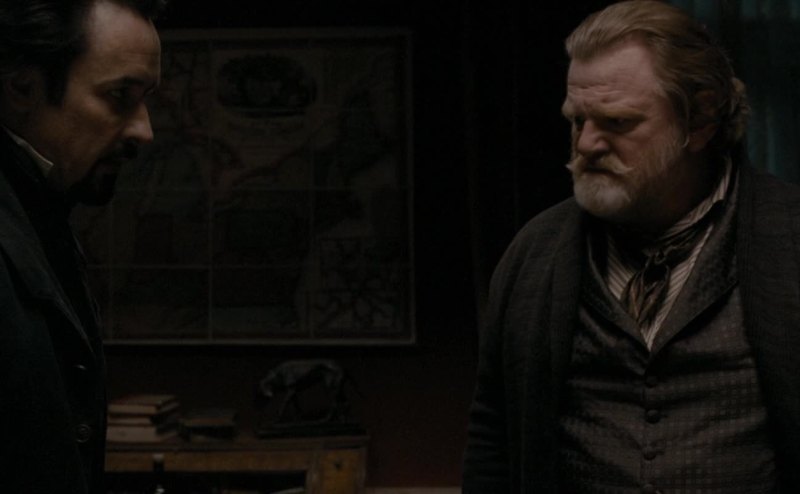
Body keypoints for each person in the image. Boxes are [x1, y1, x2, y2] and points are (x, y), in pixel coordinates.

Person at [463, 1, 800, 492]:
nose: (586, 145)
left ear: (700, 119)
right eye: (578, 121)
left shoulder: (789, 238)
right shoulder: (535, 253)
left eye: (617, 122)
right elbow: (493, 434)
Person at [0, 0, 164, 492]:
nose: (144, 130)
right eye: (119, 96)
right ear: (22, 88)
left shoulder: (42, 208)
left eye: (145, 98)